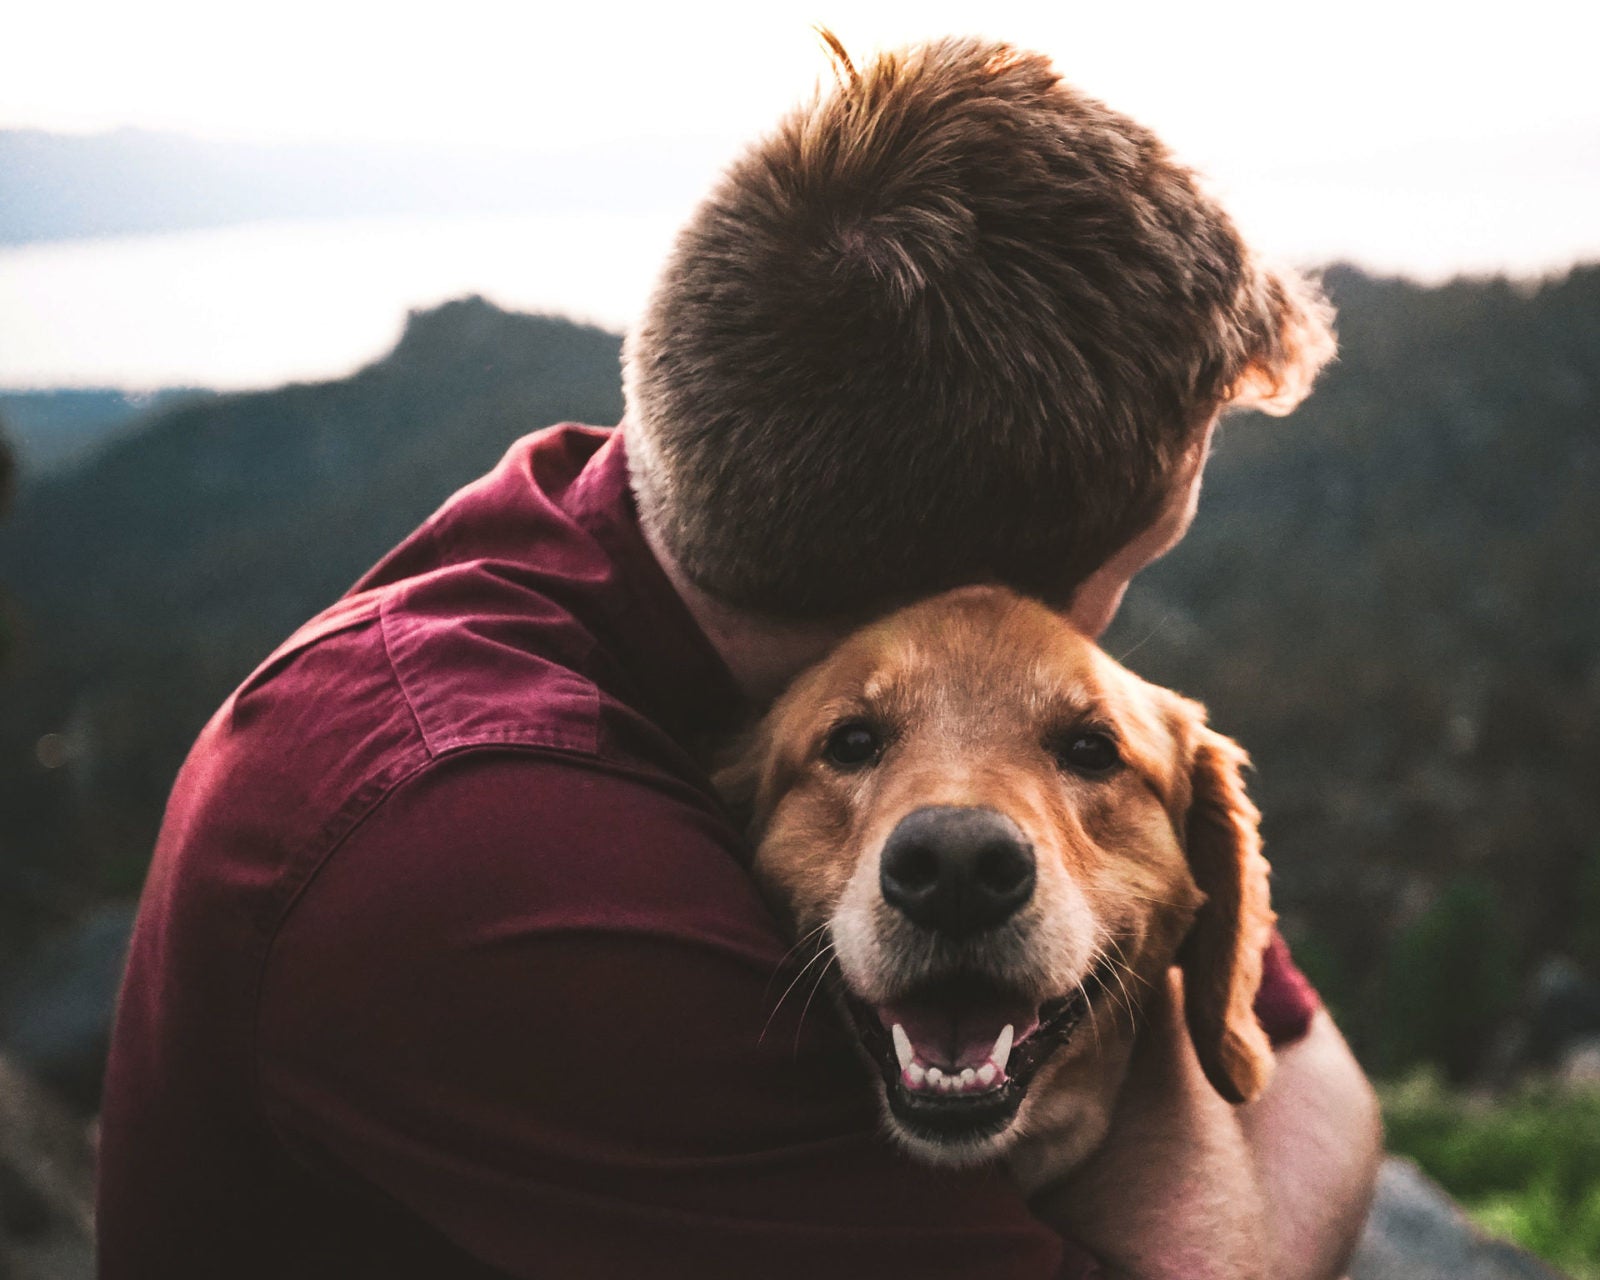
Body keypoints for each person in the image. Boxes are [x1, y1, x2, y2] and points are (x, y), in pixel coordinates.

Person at [97, 33, 1380, 1279]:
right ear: (964, 599)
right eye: (1129, 570)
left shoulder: (653, 523)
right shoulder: (485, 857)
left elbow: (1313, 1071)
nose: (1081, 646)